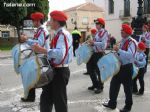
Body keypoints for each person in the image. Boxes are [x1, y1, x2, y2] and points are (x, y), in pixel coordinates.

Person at [32, 10, 73, 112]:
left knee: (59, 101)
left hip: (60, 71)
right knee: (46, 97)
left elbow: (60, 54)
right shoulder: (59, 33)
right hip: (55, 69)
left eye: (51, 20)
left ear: (56, 22)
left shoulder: (62, 34)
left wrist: (42, 50)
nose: (49, 22)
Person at [103, 24, 137, 112]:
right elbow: (119, 53)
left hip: (126, 68)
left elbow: (130, 55)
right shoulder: (122, 41)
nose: (121, 31)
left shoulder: (131, 42)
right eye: (121, 30)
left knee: (127, 89)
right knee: (114, 85)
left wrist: (119, 50)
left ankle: (128, 107)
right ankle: (112, 103)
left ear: (127, 32)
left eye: (123, 30)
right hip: (119, 67)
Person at [20, 12, 49, 102]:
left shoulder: (43, 30)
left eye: (33, 20)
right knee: (31, 75)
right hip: (37, 55)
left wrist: (26, 39)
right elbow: (36, 40)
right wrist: (28, 39)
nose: (32, 22)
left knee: (42, 77)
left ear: (37, 21)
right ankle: (30, 96)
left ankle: (46, 96)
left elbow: (39, 43)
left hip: (41, 56)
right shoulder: (39, 30)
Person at [87, 18, 108, 94]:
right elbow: (95, 43)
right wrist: (91, 44)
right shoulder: (97, 33)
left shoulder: (104, 32)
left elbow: (104, 44)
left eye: (97, 24)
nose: (96, 25)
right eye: (96, 24)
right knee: (89, 68)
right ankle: (95, 84)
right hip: (94, 53)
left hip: (99, 53)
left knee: (99, 71)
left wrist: (94, 43)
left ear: (101, 25)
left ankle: (100, 86)